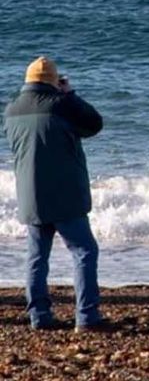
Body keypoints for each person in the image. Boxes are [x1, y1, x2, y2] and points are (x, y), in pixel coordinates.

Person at [4, 57, 105, 331]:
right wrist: (70, 94)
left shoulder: (12, 110)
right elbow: (94, 124)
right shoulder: (60, 105)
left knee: (37, 256)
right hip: (65, 195)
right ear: (53, 81)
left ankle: (39, 317)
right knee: (84, 251)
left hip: (30, 194)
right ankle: (86, 317)